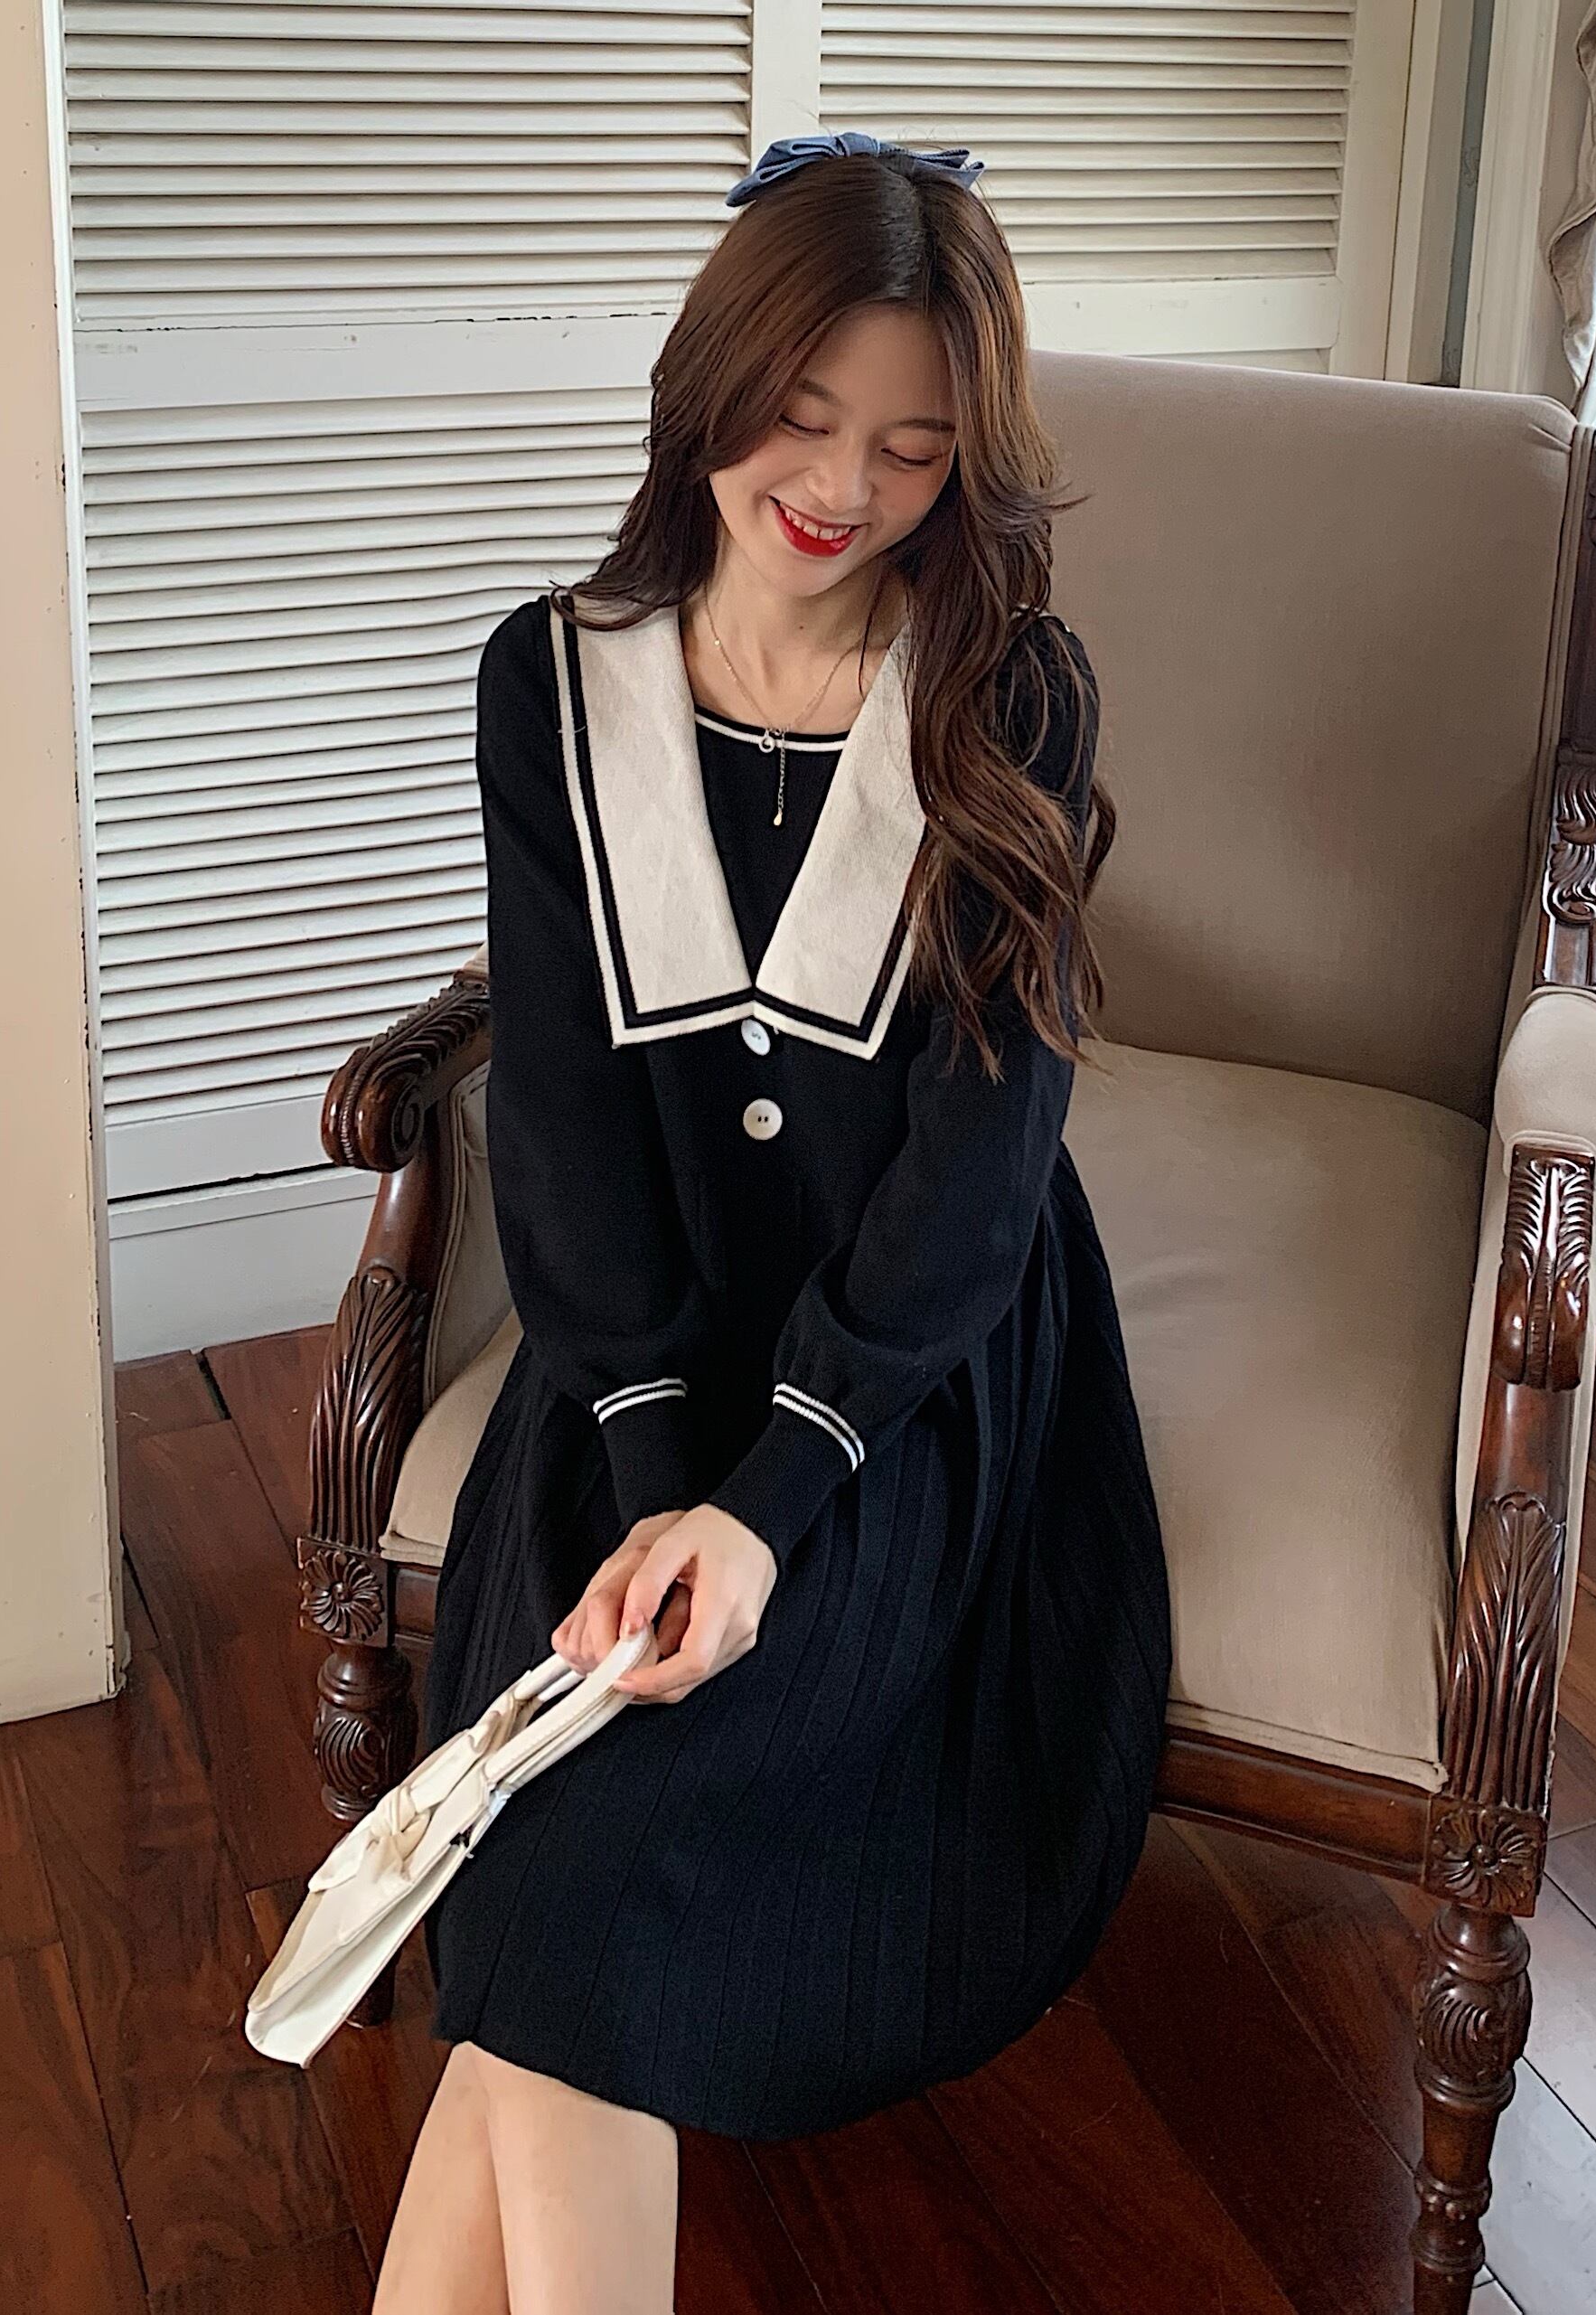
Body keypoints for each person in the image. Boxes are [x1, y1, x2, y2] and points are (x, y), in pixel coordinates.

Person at [373, 131, 1175, 2315]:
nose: (840, 488)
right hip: (632, 1362)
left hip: (904, 1385)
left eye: (913, 447)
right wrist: (655, 1473)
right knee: (551, 1852)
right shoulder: (550, 684)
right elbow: (563, 1121)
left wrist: (761, 1507)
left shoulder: (1011, 697)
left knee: (560, 1880)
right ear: (707, 384)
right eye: (800, 417)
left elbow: (979, 1173)